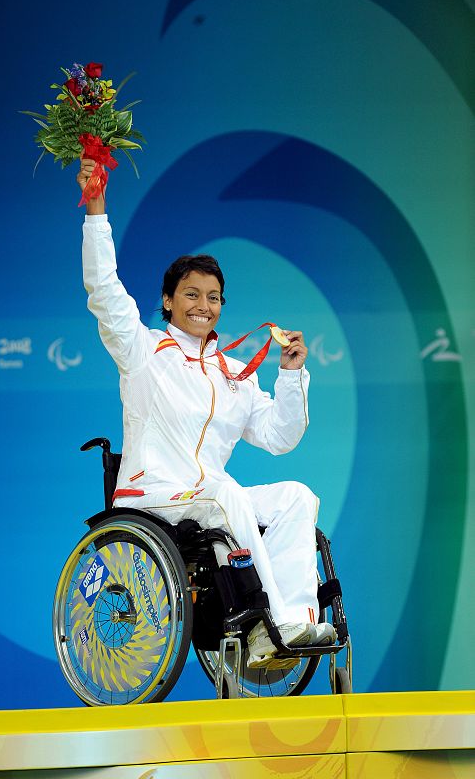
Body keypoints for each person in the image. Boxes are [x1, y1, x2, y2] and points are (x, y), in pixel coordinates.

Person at [77, 160, 335, 668]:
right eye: (191, 294)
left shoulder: (233, 372)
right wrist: (95, 210)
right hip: (154, 498)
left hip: (209, 500)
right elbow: (104, 291)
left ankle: (298, 622)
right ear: (168, 301)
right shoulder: (143, 351)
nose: (203, 305)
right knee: (225, 492)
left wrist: (289, 375)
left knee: (296, 497)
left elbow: (279, 436)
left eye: (213, 297)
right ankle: (272, 623)